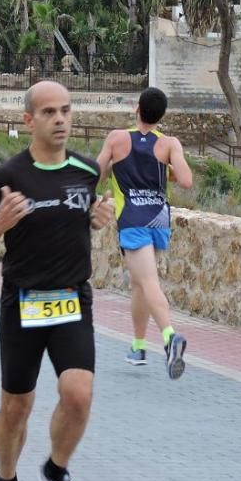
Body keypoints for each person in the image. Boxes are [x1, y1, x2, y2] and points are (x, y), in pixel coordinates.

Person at [0, 81, 114, 481]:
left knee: (79, 394)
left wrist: (97, 219)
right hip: (22, 303)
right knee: (16, 406)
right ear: (29, 120)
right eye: (49, 112)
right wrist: (0, 223)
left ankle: (56, 469)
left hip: (72, 299)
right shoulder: (8, 176)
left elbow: (82, 216)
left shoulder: (87, 170)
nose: (61, 119)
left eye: (66, 110)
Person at [96, 87, 194, 380]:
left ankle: (169, 338)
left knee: (148, 282)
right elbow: (186, 180)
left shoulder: (116, 139)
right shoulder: (169, 144)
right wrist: (168, 168)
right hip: (159, 219)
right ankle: (138, 347)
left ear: (137, 109)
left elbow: (95, 174)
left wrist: (112, 168)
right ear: (161, 115)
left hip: (133, 219)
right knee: (140, 283)